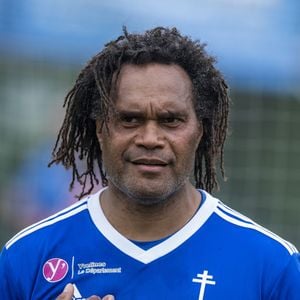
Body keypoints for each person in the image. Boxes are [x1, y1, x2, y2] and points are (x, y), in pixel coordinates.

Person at [0, 27, 299, 300]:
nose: (150, 138)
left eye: (171, 120)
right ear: (99, 128)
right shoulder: (26, 258)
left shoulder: (272, 267)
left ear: (201, 130)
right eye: (130, 119)